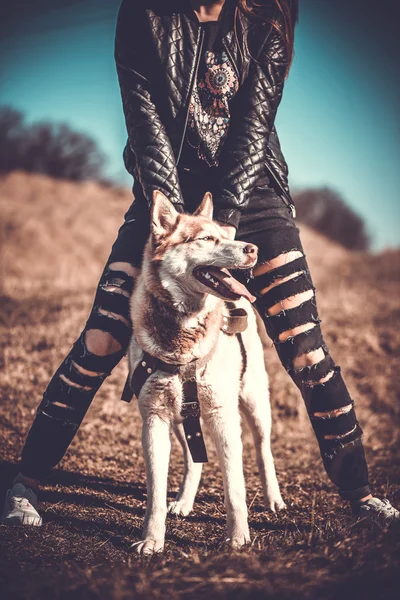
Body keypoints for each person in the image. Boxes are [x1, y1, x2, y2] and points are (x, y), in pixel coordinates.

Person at [2, 0, 398, 527]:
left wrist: (225, 226)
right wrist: (171, 219)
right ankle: (25, 483)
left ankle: (360, 496)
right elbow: (145, 127)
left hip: (254, 197)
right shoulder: (143, 15)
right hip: (167, 201)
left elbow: (253, 129)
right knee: (102, 336)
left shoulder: (265, 19)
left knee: (304, 350)